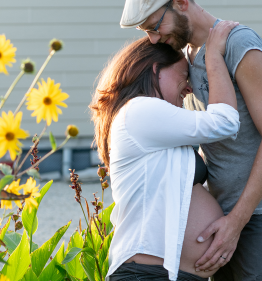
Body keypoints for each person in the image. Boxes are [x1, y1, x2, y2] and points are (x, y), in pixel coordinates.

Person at [120, 0, 262, 280]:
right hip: (224, 220)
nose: (153, 39)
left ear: (180, 2)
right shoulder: (184, 59)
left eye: (155, 27)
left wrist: (235, 222)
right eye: (146, 32)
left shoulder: (238, 44)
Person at [90, 21, 240, 280]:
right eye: (184, 76)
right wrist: (213, 56)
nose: (190, 87)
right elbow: (225, 122)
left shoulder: (154, 125)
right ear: (155, 69)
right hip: (147, 273)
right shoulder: (139, 110)